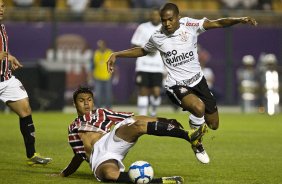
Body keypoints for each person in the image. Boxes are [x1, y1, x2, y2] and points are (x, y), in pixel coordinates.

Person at [107, 2, 258, 164]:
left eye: (170, 19)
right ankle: (197, 143)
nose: (167, 23)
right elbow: (143, 50)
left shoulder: (190, 25)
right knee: (198, 107)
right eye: (164, 20)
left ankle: (196, 132)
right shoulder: (158, 37)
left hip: (199, 81)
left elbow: (218, 22)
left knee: (213, 125)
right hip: (176, 85)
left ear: (178, 17)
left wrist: (239, 19)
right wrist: (117, 54)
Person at [56, 86, 207, 183]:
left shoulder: (101, 113)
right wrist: (64, 174)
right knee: (110, 175)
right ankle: (162, 181)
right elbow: (78, 156)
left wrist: (164, 119)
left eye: (89, 100)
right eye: (82, 101)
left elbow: (133, 118)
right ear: (75, 104)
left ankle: (188, 135)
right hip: (99, 157)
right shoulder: (72, 128)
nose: (87, 103)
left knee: (137, 125)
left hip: (110, 140)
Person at [0, 0, 52, 165]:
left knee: (26, 111)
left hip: (6, 79)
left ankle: (32, 155)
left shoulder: (1, 26)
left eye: (3, 6)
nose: (2, 9)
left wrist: (9, 56)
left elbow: (2, 52)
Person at [131, 8, 165, 116]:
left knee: (156, 92)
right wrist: (146, 49)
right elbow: (134, 44)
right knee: (143, 91)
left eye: (157, 15)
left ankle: (153, 112)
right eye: (153, 15)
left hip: (158, 66)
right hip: (143, 65)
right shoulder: (142, 27)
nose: (154, 17)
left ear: (160, 16)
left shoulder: (165, 28)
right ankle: (142, 116)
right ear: (150, 16)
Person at [89, 39, 114, 109]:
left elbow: (114, 65)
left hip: (107, 77)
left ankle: (108, 109)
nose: (100, 47)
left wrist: (116, 76)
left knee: (108, 95)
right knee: (98, 95)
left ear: (105, 45)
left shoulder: (110, 53)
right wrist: (90, 77)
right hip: (98, 77)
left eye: (101, 45)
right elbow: (91, 66)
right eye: (99, 45)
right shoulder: (95, 53)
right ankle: (98, 109)